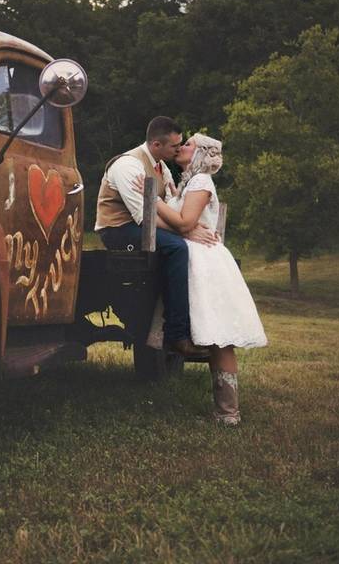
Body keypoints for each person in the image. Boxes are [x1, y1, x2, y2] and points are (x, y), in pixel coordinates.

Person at [151, 132, 268, 425]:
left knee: (219, 338)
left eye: (188, 144)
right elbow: (178, 225)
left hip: (205, 263)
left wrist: (152, 199)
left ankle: (228, 412)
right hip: (193, 257)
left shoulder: (201, 181)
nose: (181, 147)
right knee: (214, 337)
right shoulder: (188, 182)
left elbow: (184, 222)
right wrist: (182, 225)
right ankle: (226, 412)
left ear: (201, 153)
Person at [94, 117, 216, 356]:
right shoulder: (128, 165)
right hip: (118, 229)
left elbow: (169, 205)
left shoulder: (162, 167)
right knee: (178, 248)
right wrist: (186, 230)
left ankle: (191, 326)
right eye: (174, 146)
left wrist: (186, 224)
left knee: (184, 247)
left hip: (145, 226)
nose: (179, 149)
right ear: (156, 145)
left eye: (182, 145)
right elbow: (143, 216)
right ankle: (177, 335)